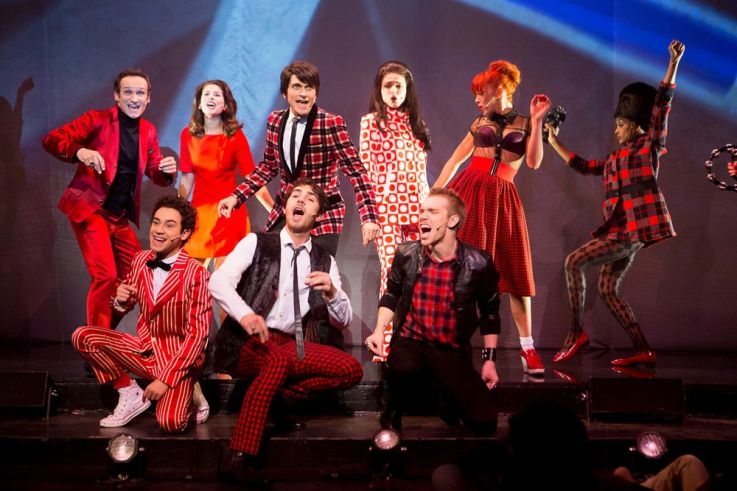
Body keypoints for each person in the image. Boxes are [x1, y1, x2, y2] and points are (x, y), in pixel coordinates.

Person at [209, 178, 363, 478]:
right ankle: (238, 456)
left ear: (318, 215)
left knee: (349, 369)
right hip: (248, 340)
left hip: (289, 344)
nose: (300, 200)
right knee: (277, 361)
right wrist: (245, 315)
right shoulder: (257, 242)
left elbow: (343, 319)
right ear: (286, 206)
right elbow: (218, 281)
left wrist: (332, 292)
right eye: (295, 195)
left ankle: (274, 398)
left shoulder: (324, 260)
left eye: (309, 198)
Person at [547, 40, 685, 367]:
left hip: (632, 230)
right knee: (608, 290)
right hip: (620, 230)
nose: (617, 130)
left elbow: (662, 103)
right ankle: (643, 349)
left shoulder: (649, 145)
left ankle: (576, 333)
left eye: (621, 124)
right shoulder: (614, 158)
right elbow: (583, 166)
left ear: (635, 125)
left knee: (574, 262)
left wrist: (673, 63)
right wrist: (553, 140)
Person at [434, 61, 550, 376]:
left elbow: (534, 162)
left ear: (498, 90)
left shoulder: (526, 123)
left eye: (481, 93)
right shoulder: (479, 123)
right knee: (461, 270)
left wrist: (537, 121)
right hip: (470, 194)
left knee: (516, 273)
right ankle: (448, 341)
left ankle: (528, 347)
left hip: (503, 199)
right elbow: (454, 161)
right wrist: (434, 197)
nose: (476, 99)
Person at [42, 68, 177, 329]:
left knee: (138, 277)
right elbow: (52, 139)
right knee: (106, 277)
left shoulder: (148, 130)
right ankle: (95, 344)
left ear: (148, 98)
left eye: (140, 93)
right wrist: (79, 151)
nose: (134, 98)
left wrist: (166, 171)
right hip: (92, 210)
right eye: (128, 92)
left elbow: (154, 171)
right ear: (117, 95)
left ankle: (98, 336)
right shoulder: (97, 119)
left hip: (119, 218)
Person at [365, 188, 500, 435]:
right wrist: (378, 331)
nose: (423, 216)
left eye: (433, 211)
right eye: (422, 211)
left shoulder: (478, 262)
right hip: (411, 343)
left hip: (449, 349)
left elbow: (490, 313)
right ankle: (394, 408)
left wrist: (489, 361)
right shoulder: (406, 253)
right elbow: (392, 294)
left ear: (452, 221)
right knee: (402, 367)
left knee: (485, 421)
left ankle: (443, 397)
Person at [71, 195, 211, 432]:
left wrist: (165, 380)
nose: (159, 230)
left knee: (171, 423)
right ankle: (129, 391)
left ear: (184, 233)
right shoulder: (140, 260)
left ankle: (192, 391)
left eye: (169, 225)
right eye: (156, 222)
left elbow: (197, 337)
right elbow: (125, 304)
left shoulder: (196, 274)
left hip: (176, 360)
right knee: (83, 336)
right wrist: (120, 300)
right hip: (145, 351)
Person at [217, 60, 380, 258]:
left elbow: (357, 172)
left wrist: (369, 217)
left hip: (322, 215)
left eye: (309, 88)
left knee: (314, 273)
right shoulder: (275, 121)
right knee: (269, 266)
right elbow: (268, 166)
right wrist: (236, 196)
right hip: (287, 210)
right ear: (285, 93)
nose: (303, 93)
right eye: (297, 87)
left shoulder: (330, 123)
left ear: (315, 93)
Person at [359, 60, 432, 361]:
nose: (393, 91)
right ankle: (386, 343)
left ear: (407, 89)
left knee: (420, 275)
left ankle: (415, 342)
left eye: (398, 86)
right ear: (379, 89)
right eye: (388, 85)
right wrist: (369, 216)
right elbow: (365, 173)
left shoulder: (416, 124)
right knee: (392, 273)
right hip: (387, 209)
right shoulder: (370, 123)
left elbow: (422, 174)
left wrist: (429, 209)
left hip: (417, 208)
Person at [178, 79, 272, 268]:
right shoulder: (187, 135)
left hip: (228, 213)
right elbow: (187, 176)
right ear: (199, 103)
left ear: (225, 105)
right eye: (206, 94)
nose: (211, 97)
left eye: (216, 95)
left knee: (224, 279)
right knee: (192, 277)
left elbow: (252, 178)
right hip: (199, 214)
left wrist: (274, 210)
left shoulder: (235, 136)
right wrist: (177, 208)